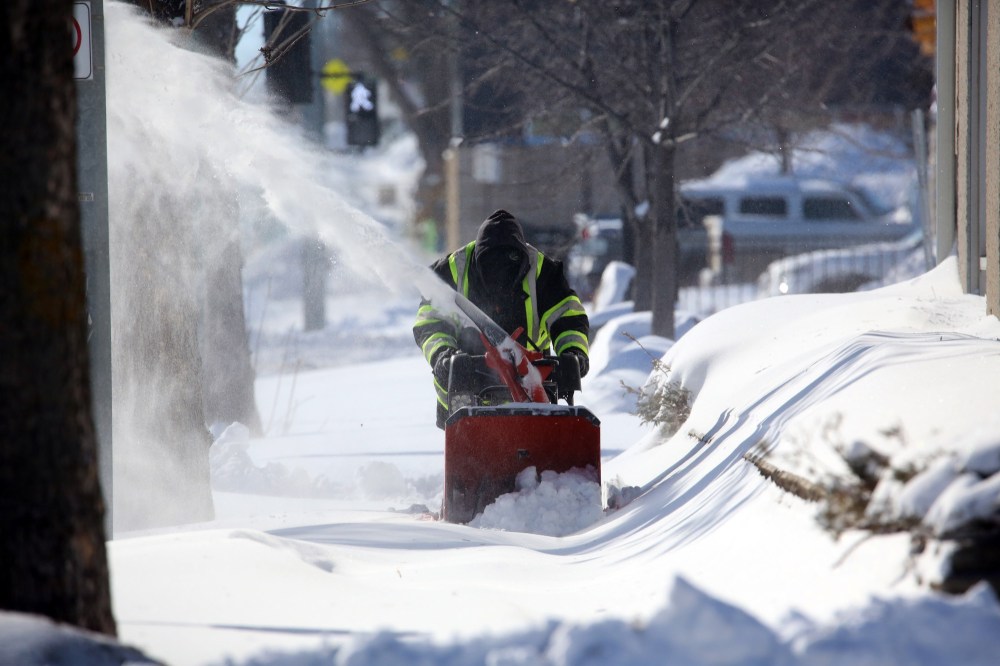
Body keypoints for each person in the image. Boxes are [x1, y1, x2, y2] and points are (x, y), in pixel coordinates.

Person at [413, 209, 590, 428]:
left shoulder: (543, 273)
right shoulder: (450, 272)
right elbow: (430, 323)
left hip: (534, 397)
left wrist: (573, 354)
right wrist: (442, 355)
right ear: (479, 262)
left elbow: (568, 317)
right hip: (466, 401)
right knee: (473, 460)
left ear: (521, 261)